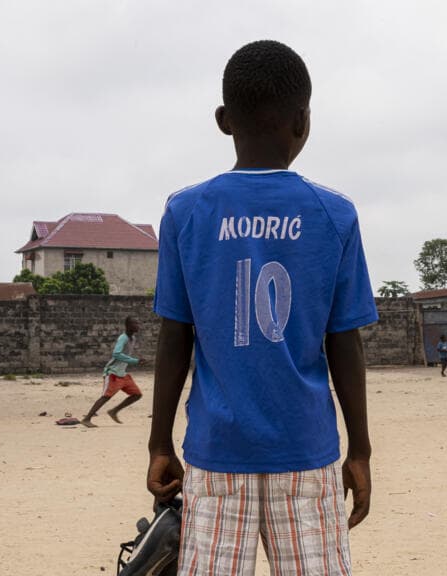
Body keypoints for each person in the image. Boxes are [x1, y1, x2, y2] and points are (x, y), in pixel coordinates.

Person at [146, 40, 377, 575]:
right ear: (304, 122)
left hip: (215, 454)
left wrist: (160, 442)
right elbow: (344, 341)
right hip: (307, 454)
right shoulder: (334, 214)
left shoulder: (186, 211)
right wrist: (359, 451)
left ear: (224, 120)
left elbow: (175, 336)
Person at [82, 316, 146, 427]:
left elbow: (124, 355)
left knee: (137, 394)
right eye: (135, 323)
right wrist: (135, 361)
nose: (137, 326)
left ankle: (114, 411)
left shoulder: (133, 338)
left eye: (138, 323)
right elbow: (116, 353)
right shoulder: (123, 338)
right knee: (106, 396)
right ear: (128, 326)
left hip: (122, 374)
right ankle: (87, 419)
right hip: (113, 373)